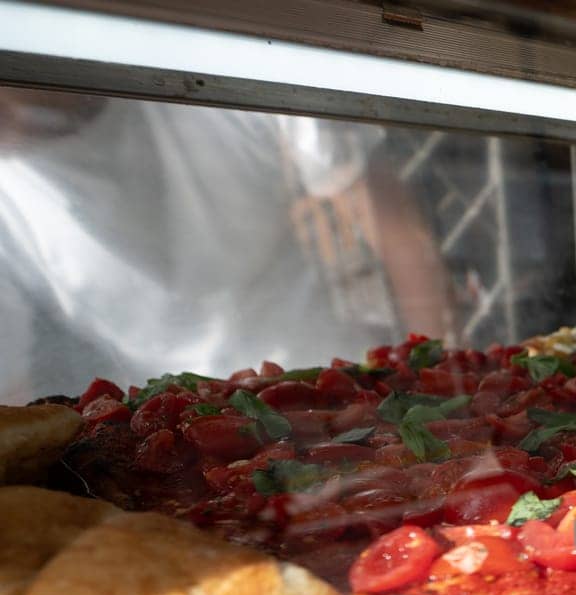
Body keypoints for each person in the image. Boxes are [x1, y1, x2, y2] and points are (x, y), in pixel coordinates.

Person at [0, 88, 452, 401]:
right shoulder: (8, 195)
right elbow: (11, 394)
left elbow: (398, 232)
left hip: (342, 392)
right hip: (167, 450)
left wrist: (441, 384)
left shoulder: (207, 68)